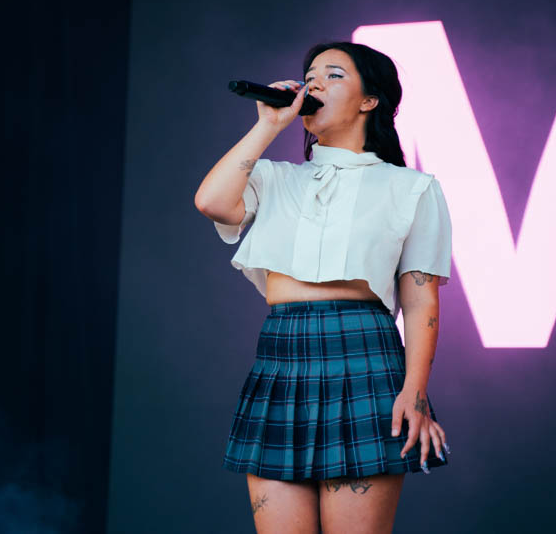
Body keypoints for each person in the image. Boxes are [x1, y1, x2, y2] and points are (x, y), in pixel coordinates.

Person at [194, 41, 453, 533]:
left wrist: (414, 392)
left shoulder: (411, 188)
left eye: (333, 75)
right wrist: (268, 126)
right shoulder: (274, 177)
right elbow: (211, 202)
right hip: (281, 354)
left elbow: (422, 301)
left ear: (369, 100)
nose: (313, 83)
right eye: (310, 74)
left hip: (364, 356)